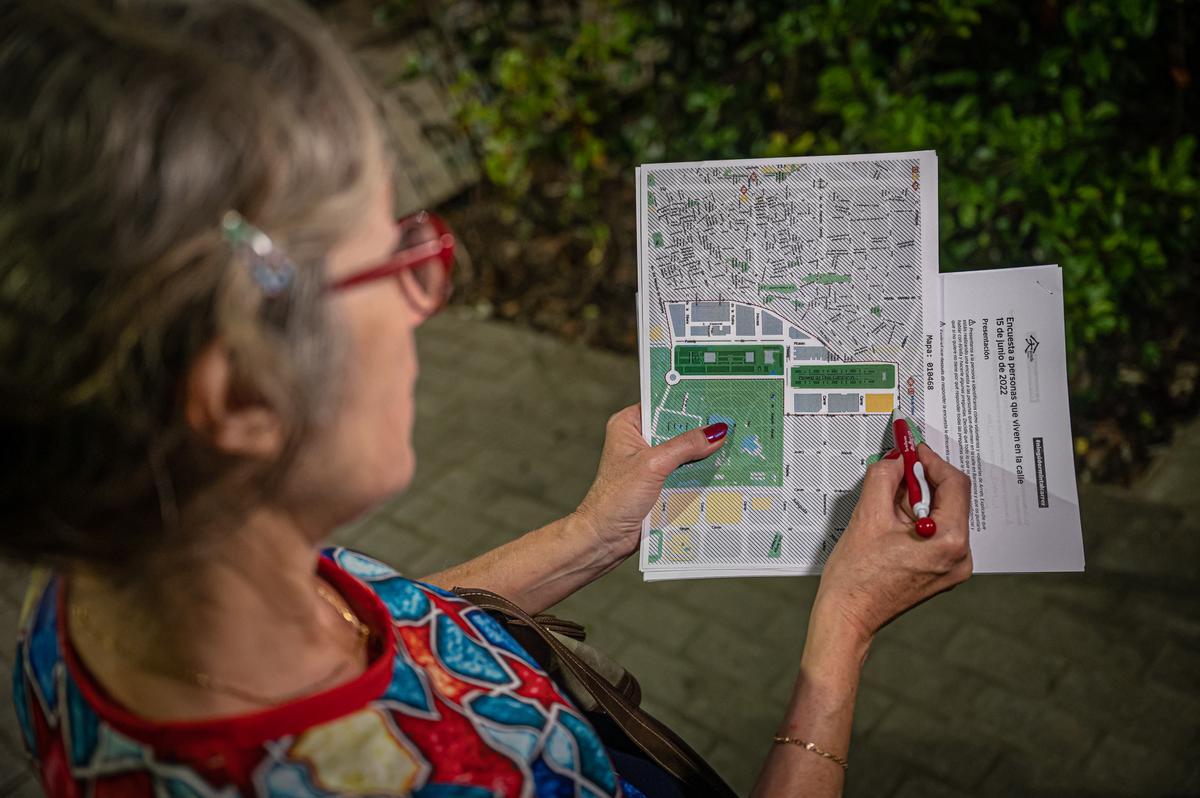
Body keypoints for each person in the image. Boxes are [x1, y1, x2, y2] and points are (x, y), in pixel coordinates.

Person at [0, 1, 973, 795]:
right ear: (240, 398)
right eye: (393, 260)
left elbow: (406, 642)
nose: (428, 301)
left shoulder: (97, 578)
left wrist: (592, 530)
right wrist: (841, 630)